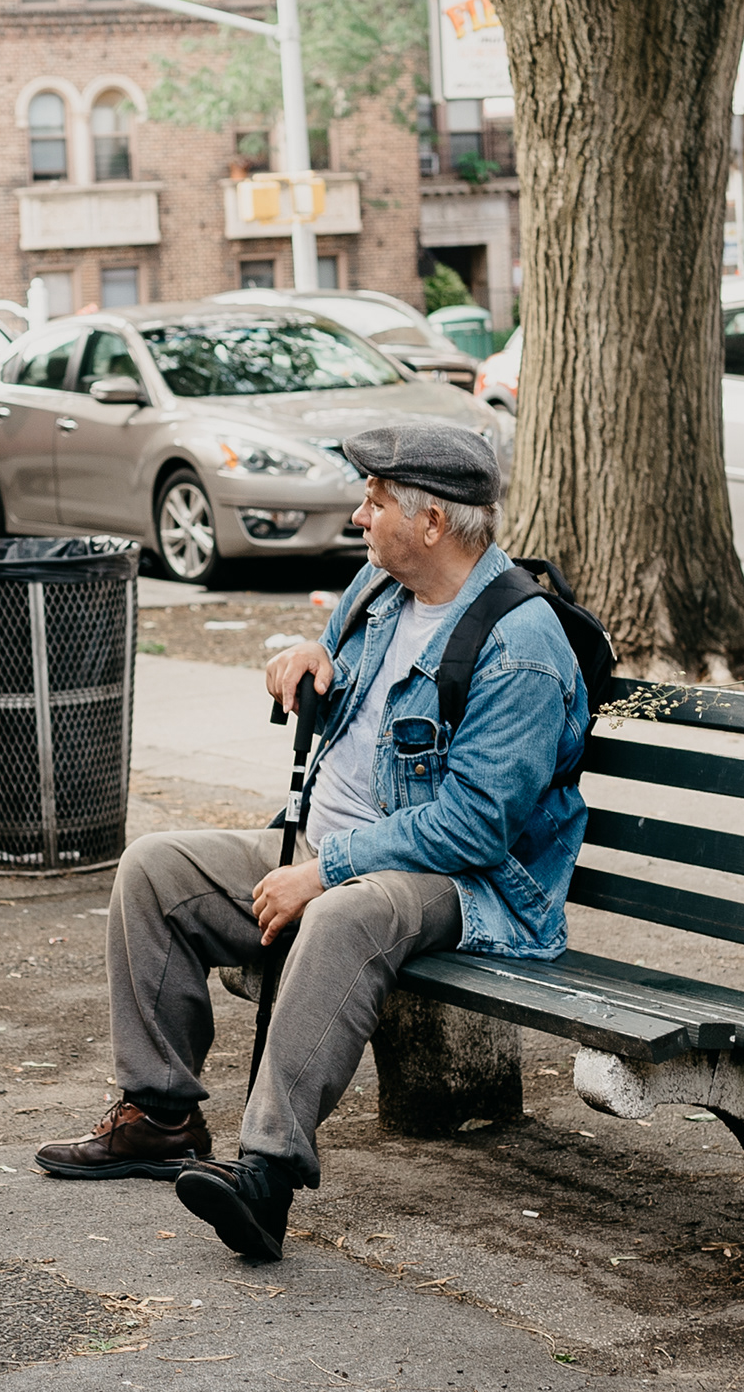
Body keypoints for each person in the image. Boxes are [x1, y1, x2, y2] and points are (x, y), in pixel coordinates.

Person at [36, 421, 592, 1264]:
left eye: (375, 502)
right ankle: (160, 1118)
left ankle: (266, 1178)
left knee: (342, 917)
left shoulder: (521, 648)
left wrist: (323, 872)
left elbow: (476, 826)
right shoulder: (378, 589)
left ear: (432, 522)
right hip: (326, 849)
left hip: (468, 886)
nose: (360, 517)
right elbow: (338, 667)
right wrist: (307, 655)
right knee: (154, 868)